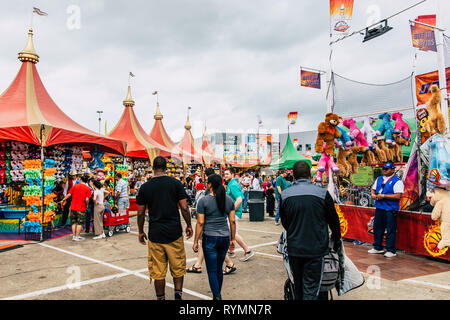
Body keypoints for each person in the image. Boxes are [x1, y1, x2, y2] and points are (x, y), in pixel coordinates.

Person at [280, 161, 342, 300]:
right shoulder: (322, 194)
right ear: (310, 175)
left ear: (293, 176)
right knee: (312, 289)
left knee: (298, 285)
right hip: (316, 249)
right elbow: (334, 221)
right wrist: (336, 239)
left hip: (295, 249)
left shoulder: (285, 195)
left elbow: (285, 222)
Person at [136, 156, 193, 300]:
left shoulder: (145, 187)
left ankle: (160, 298)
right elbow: (184, 208)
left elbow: (141, 212)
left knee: (158, 271)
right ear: (166, 168)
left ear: (152, 168)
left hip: (155, 235)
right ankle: (178, 296)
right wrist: (189, 225)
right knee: (178, 267)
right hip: (174, 232)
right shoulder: (176, 184)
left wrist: (141, 231)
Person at [193, 174, 236, 300]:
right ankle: (217, 294)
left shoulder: (203, 201)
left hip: (209, 238)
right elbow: (232, 221)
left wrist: (195, 241)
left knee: (212, 270)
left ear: (210, 184)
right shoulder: (228, 200)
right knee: (219, 268)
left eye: (207, 182)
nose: (206, 184)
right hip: (224, 238)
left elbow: (200, 223)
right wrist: (232, 239)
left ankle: (217, 296)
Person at [369, 161, 404, 258]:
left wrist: (383, 196)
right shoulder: (379, 178)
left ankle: (391, 250)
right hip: (379, 207)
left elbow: (398, 195)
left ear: (393, 170)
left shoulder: (397, 181)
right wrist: (373, 194)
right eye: (383, 168)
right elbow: (373, 189)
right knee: (377, 228)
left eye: (386, 169)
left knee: (390, 229)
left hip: (390, 208)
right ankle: (377, 247)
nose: (384, 170)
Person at [223, 168, 254, 270]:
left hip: (234, 213)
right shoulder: (232, 184)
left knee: (233, 234)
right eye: (224, 174)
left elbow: (239, 199)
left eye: (227, 174)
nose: (225, 175)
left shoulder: (233, 185)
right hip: (233, 213)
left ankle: (247, 250)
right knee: (231, 233)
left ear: (232, 174)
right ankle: (231, 251)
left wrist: (231, 211)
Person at [186, 167, 216, 274]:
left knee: (206, 242)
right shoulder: (217, 190)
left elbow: (201, 219)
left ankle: (229, 263)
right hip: (216, 223)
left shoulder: (208, 192)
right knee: (206, 242)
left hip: (208, 222)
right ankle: (198, 264)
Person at [59, 174, 93, 241]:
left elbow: (69, 195)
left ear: (81, 180)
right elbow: (87, 199)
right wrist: (86, 204)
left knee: (74, 222)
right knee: (80, 223)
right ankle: (77, 236)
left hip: (73, 207)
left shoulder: (75, 186)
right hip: (81, 207)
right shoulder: (87, 189)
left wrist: (63, 199)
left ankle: (74, 236)